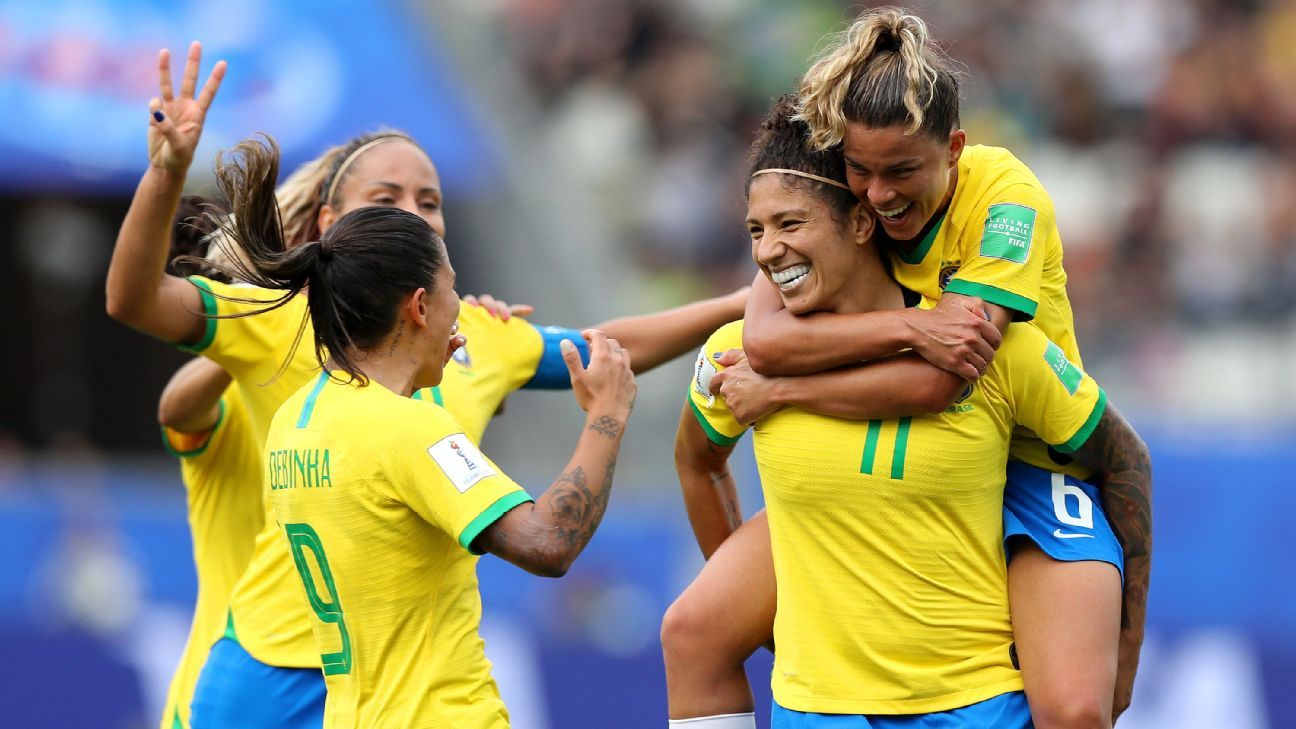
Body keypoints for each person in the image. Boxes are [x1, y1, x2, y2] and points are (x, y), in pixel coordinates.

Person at [105, 43, 744, 727]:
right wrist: (167, 176)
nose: (414, 212)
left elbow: (600, 349)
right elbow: (136, 304)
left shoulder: (470, 332)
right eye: (387, 200)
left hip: (376, 681)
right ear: (332, 224)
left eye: (430, 200)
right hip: (277, 664)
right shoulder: (280, 321)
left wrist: (740, 304)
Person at [663, 10, 1153, 729]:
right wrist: (907, 326)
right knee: (692, 631)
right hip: (896, 464)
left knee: (1076, 709)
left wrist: (784, 391)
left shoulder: (1005, 199)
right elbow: (760, 341)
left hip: (1027, 457)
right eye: (860, 172)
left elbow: (945, 379)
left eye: (902, 172)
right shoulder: (840, 210)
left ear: (954, 149)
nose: (880, 193)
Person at [198, 135, 637, 726]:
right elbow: (547, 542)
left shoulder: (296, 421)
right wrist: (607, 416)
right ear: (421, 307)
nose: (464, 314)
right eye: (454, 290)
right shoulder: (413, 430)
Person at [154, 199, 264, 729]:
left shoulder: (365, 404)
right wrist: (260, 328)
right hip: (222, 698)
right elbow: (176, 411)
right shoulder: (229, 396)